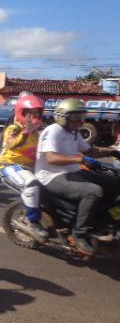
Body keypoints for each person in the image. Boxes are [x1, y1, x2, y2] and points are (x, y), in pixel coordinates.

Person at [35, 98, 120, 255]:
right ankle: (79, 234)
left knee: (113, 181)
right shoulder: (53, 131)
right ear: (62, 116)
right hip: (52, 176)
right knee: (93, 191)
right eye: (76, 117)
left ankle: (101, 221)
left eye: (82, 117)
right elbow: (51, 158)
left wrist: (112, 152)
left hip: (73, 172)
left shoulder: (74, 132)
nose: (80, 121)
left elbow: (89, 150)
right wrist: (80, 159)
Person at [0, 95, 49, 242]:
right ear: (22, 113)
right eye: (29, 113)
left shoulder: (37, 133)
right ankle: (33, 222)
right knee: (32, 184)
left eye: (36, 113)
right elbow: (12, 144)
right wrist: (26, 131)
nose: (33, 116)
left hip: (30, 167)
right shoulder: (14, 128)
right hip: (9, 165)